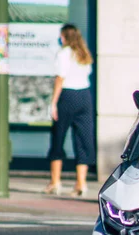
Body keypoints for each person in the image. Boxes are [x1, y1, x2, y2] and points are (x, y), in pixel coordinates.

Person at [44, 23, 95, 197]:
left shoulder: (63, 53)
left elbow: (60, 78)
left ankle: (55, 182)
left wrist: (53, 103)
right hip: (85, 97)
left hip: (67, 96)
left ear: (65, 37)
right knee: (82, 138)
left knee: (58, 137)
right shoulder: (84, 54)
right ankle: (81, 183)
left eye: (61, 36)